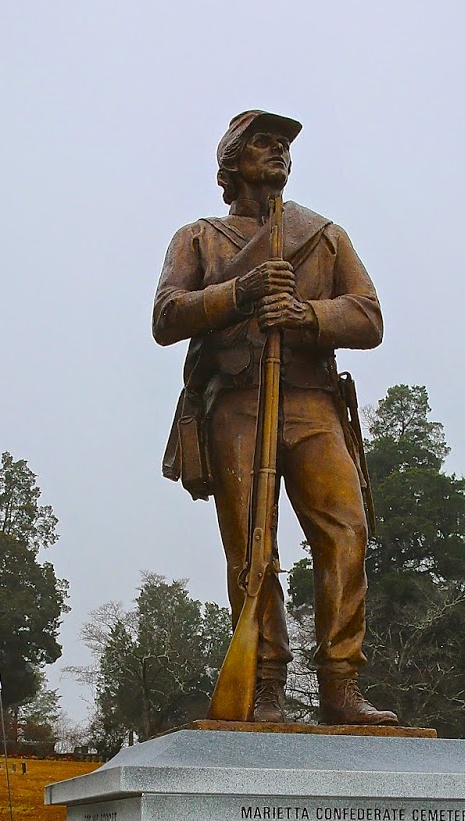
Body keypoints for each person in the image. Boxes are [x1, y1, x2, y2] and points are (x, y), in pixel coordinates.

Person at [153, 109, 397, 725]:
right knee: (252, 547)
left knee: (347, 530)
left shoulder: (325, 236)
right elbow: (166, 316)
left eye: (283, 144)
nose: (278, 152)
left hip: (312, 401)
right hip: (236, 400)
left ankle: (341, 685)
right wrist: (240, 293)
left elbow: (368, 316)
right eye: (263, 143)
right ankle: (265, 685)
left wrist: (308, 316)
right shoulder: (199, 238)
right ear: (232, 161)